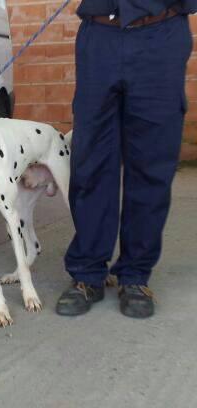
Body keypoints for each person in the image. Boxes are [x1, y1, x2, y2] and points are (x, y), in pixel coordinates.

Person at [56, 0, 196, 318]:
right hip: (99, 36)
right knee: (91, 161)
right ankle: (87, 273)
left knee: (151, 164)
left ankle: (135, 275)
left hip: (160, 34)